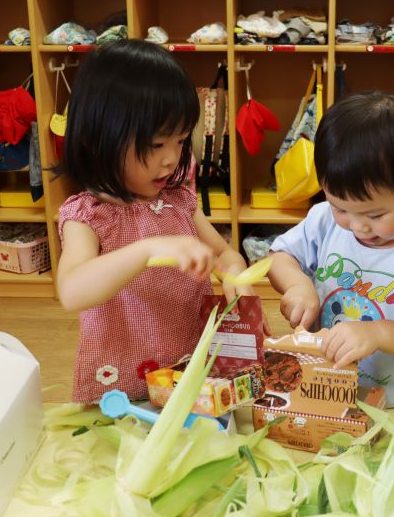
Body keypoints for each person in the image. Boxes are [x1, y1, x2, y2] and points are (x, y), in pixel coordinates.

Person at [54, 39, 250, 402]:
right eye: (156, 145)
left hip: (188, 372)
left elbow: (225, 255)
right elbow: (72, 291)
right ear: (98, 139)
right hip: (123, 390)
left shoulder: (179, 202)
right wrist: (147, 250)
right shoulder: (89, 216)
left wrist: (235, 275)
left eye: (180, 141)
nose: (172, 159)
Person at [268, 92, 394, 407]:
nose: (358, 226)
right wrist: (297, 284)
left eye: (375, 215)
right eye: (340, 208)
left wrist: (377, 333)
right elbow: (279, 257)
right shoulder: (323, 221)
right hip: (322, 391)